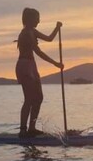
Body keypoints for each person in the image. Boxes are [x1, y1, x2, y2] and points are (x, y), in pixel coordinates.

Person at [16, 8, 62, 138]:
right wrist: (55, 63)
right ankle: (23, 130)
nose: (39, 20)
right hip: (24, 66)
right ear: (30, 19)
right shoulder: (25, 33)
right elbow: (38, 52)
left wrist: (57, 28)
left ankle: (32, 128)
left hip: (31, 66)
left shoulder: (33, 31)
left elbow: (49, 39)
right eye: (37, 18)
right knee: (29, 99)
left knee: (39, 98)